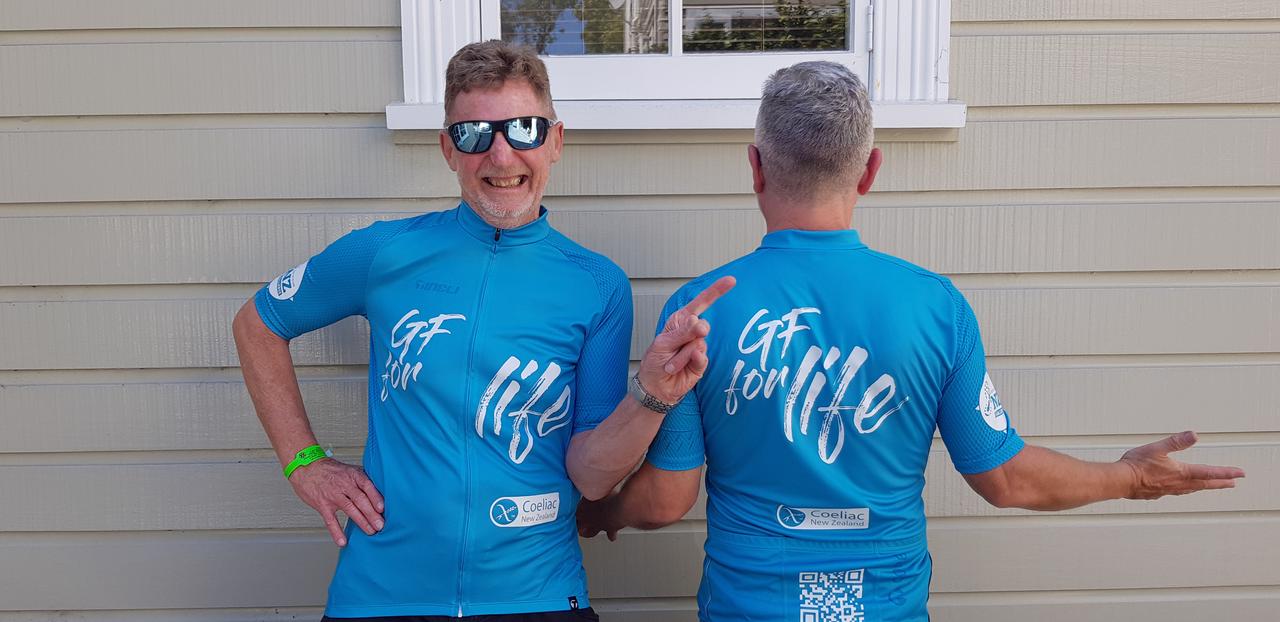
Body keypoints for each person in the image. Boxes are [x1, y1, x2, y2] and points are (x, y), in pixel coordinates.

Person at [576, 61, 1247, 621]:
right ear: (870, 170)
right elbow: (1006, 478)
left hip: (748, 607)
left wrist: (605, 510)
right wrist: (1130, 478)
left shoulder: (701, 310)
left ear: (755, 167)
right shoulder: (936, 307)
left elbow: (667, 500)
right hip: (886, 606)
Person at [232, 40, 732, 621]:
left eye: (524, 129)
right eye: (473, 133)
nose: (501, 154)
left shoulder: (598, 285)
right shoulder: (383, 252)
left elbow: (592, 477)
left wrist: (653, 394)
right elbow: (258, 323)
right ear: (448, 148)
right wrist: (304, 462)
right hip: (382, 596)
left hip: (538, 597)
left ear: (556, 141)